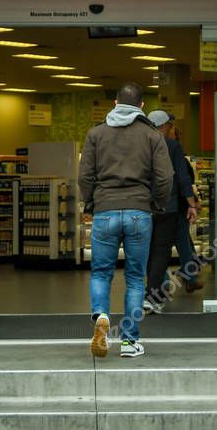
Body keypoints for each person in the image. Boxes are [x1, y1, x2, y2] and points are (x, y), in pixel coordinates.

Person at [79, 82, 173, 358]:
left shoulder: (96, 134)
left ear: (115, 104)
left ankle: (100, 315)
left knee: (100, 272)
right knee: (134, 278)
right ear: (142, 106)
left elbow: (85, 175)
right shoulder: (151, 135)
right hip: (138, 212)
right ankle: (130, 342)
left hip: (105, 211)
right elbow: (165, 178)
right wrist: (155, 204)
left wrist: (93, 202)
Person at [143, 111, 198, 314]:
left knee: (147, 251)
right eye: (169, 124)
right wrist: (191, 203)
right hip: (168, 206)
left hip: (143, 207)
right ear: (164, 126)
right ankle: (153, 295)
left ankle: (148, 292)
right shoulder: (172, 146)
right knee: (161, 252)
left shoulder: (140, 143)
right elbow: (182, 176)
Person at [166, 117, 204, 293]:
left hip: (166, 206)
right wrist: (192, 202)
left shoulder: (154, 149)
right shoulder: (176, 152)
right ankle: (189, 277)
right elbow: (185, 179)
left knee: (162, 246)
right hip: (178, 206)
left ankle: (164, 280)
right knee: (184, 244)